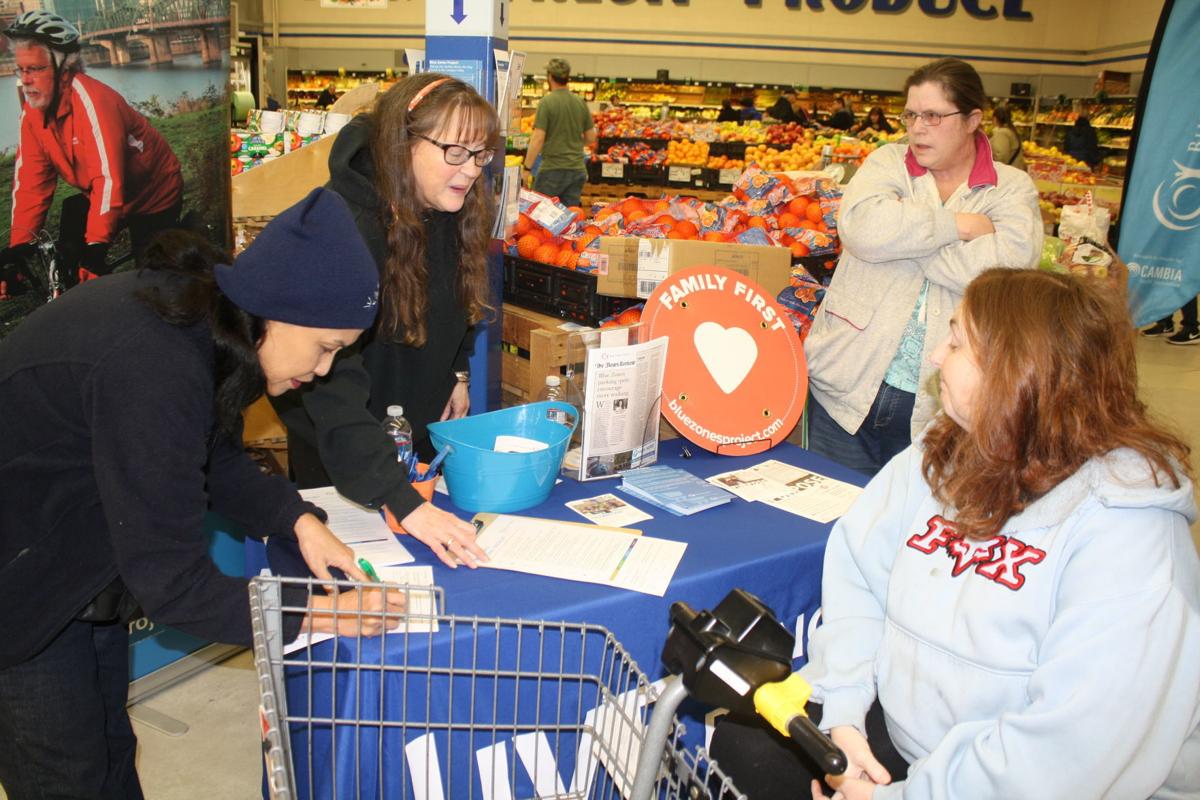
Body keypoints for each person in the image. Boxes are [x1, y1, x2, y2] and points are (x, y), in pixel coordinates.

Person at [713, 267, 1200, 800]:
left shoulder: (1129, 532)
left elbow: (1072, 753)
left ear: (1019, 372)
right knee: (746, 746)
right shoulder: (939, 452)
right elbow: (861, 586)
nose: (935, 357)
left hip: (1035, 782)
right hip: (916, 738)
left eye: (956, 342)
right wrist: (843, 717)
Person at [0, 187, 406, 798]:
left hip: (76, 550)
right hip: (20, 585)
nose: (322, 372)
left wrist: (297, 520)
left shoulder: (210, 327)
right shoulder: (153, 363)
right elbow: (173, 585)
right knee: (66, 771)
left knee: (109, 747)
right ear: (276, 308)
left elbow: (207, 452)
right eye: (326, 348)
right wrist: (319, 612)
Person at [270, 73, 495, 570]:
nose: (472, 169)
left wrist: (457, 370)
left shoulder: (450, 204)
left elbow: (461, 299)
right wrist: (398, 497)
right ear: (403, 142)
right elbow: (329, 390)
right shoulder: (344, 229)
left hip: (407, 438)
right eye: (455, 151)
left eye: (481, 155)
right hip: (341, 453)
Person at [803, 58, 1042, 477]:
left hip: (943, 410)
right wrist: (961, 226)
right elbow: (861, 229)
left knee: (918, 533)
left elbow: (1008, 270)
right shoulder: (888, 163)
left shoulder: (1010, 187)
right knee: (829, 525)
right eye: (911, 115)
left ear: (972, 120)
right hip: (844, 387)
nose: (917, 128)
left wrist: (901, 240)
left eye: (933, 115)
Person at [3, 10, 183, 283]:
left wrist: (96, 247)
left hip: (154, 195)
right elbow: (31, 183)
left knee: (153, 281)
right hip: (103, 195)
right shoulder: (33, 114)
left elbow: (108, 179)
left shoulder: (94, 101)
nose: (26, 80)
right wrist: (19, 247)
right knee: (67, 264)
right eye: (22, 70)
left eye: (37, 69)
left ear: (64, 69)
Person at [521, 58, 595, 208]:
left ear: (549, 76)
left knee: (541, 215)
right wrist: (572, 143)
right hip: (576, 169)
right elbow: (591, 137)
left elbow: (538, 138)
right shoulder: (580, 102)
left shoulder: (547, 103)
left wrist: (527, 168)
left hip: (552, 170)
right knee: (568, 218)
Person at [988, 104, 1026, 170]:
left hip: (1009, 171)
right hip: (1015, 169)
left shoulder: (1002, 133)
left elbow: (1001, 157)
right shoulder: (1012, 130)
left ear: (995, 118)